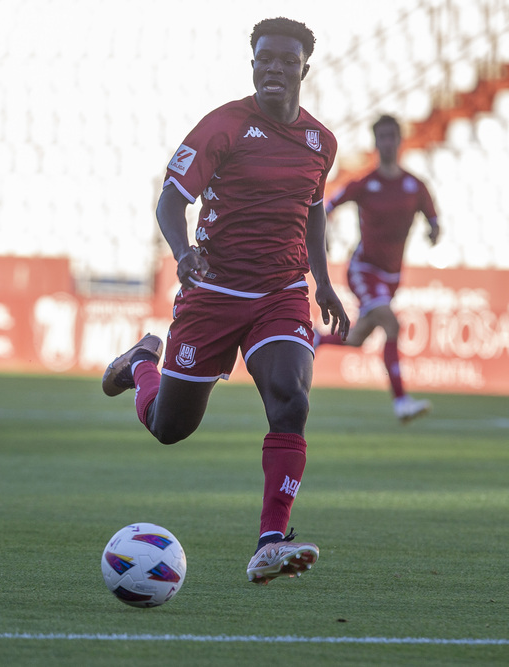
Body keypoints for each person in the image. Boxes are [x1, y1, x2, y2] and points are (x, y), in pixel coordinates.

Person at [102, 18, 350, 585]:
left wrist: (324, 279)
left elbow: (311, 208)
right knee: (170, 428)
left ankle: (271, 541)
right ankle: (142, 363)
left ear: (303, 69)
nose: (273, 68)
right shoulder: (225, 126)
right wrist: (182, 251)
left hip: (281, 293)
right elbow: (170, 201)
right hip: (212, 293)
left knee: (291, 398)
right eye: (264, 58)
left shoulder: (321, 142)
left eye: (286, 60)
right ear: (253, 62)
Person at [316, 114, 440, 423]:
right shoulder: (364, 183)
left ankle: (315, 339)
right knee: (392, 325)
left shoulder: (415, 186)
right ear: (376, 142)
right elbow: (325, 208)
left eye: (391, 136)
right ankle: (401, 402)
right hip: (364, 269)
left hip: (392, 275)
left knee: (357, 338)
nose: (387, 142)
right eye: (381, 137)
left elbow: (434, 219)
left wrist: (434, 231)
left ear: (399, 141)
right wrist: (324, 235)